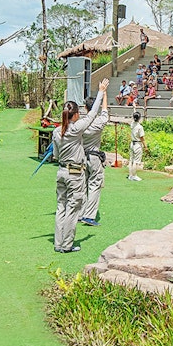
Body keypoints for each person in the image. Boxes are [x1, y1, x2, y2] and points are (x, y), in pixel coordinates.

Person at [51, 78, 109, 253]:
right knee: (72, 210)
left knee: (61, 208)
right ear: (75, 114)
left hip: (61, 172)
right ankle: (67, 245)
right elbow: (92, 116)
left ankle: (58, 243)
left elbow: (55, 155)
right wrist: (101, 91)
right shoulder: (75, 129)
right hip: (74, 173)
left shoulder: (56, 131)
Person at [78, 95, 110, 227]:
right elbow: (104, 111)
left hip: (81, 157)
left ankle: (80, 213)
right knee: (95, 185)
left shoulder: (80, 124)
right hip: (95, 157)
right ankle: (89, 216)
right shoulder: (99, 122)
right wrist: (104, 94)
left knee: (82, 185)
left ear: (85, 108)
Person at [127, 111, 147, 181]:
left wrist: (134, 107)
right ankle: (134, 175)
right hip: (138, 144)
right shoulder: (139, 127)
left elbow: (134, 114)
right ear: (139, 118)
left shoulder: (132, 124)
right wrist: (145, 146)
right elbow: (142, 138)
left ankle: (130, 175)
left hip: (132, 143)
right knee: (136, 161)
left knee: (131, 160)